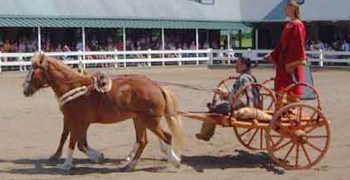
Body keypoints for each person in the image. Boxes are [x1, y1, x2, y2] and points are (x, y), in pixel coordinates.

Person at [196, 57, 259, 141]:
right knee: (217, 108)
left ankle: (205, 134)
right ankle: (214, 109)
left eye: (238, 64)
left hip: (244, 107)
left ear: (244, 66)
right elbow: (238, 94)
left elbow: (238, 97)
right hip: (250, 105)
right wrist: (224, 93)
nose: (236, 66)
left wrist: (224, 93)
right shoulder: (251, 77)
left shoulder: (244, 78)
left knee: (213, 112)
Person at [264, 0, 308, 106]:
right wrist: (273, 55)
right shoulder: (288, 25)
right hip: (283, 62)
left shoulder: (297, 25)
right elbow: (281, 44)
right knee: (280, 90)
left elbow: (298, 45)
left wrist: (294, 62)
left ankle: (289, 111)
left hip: (291, 63)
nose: (284, 10)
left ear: (293, 8)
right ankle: (281, 111)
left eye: (286, 7)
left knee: (291, 90)